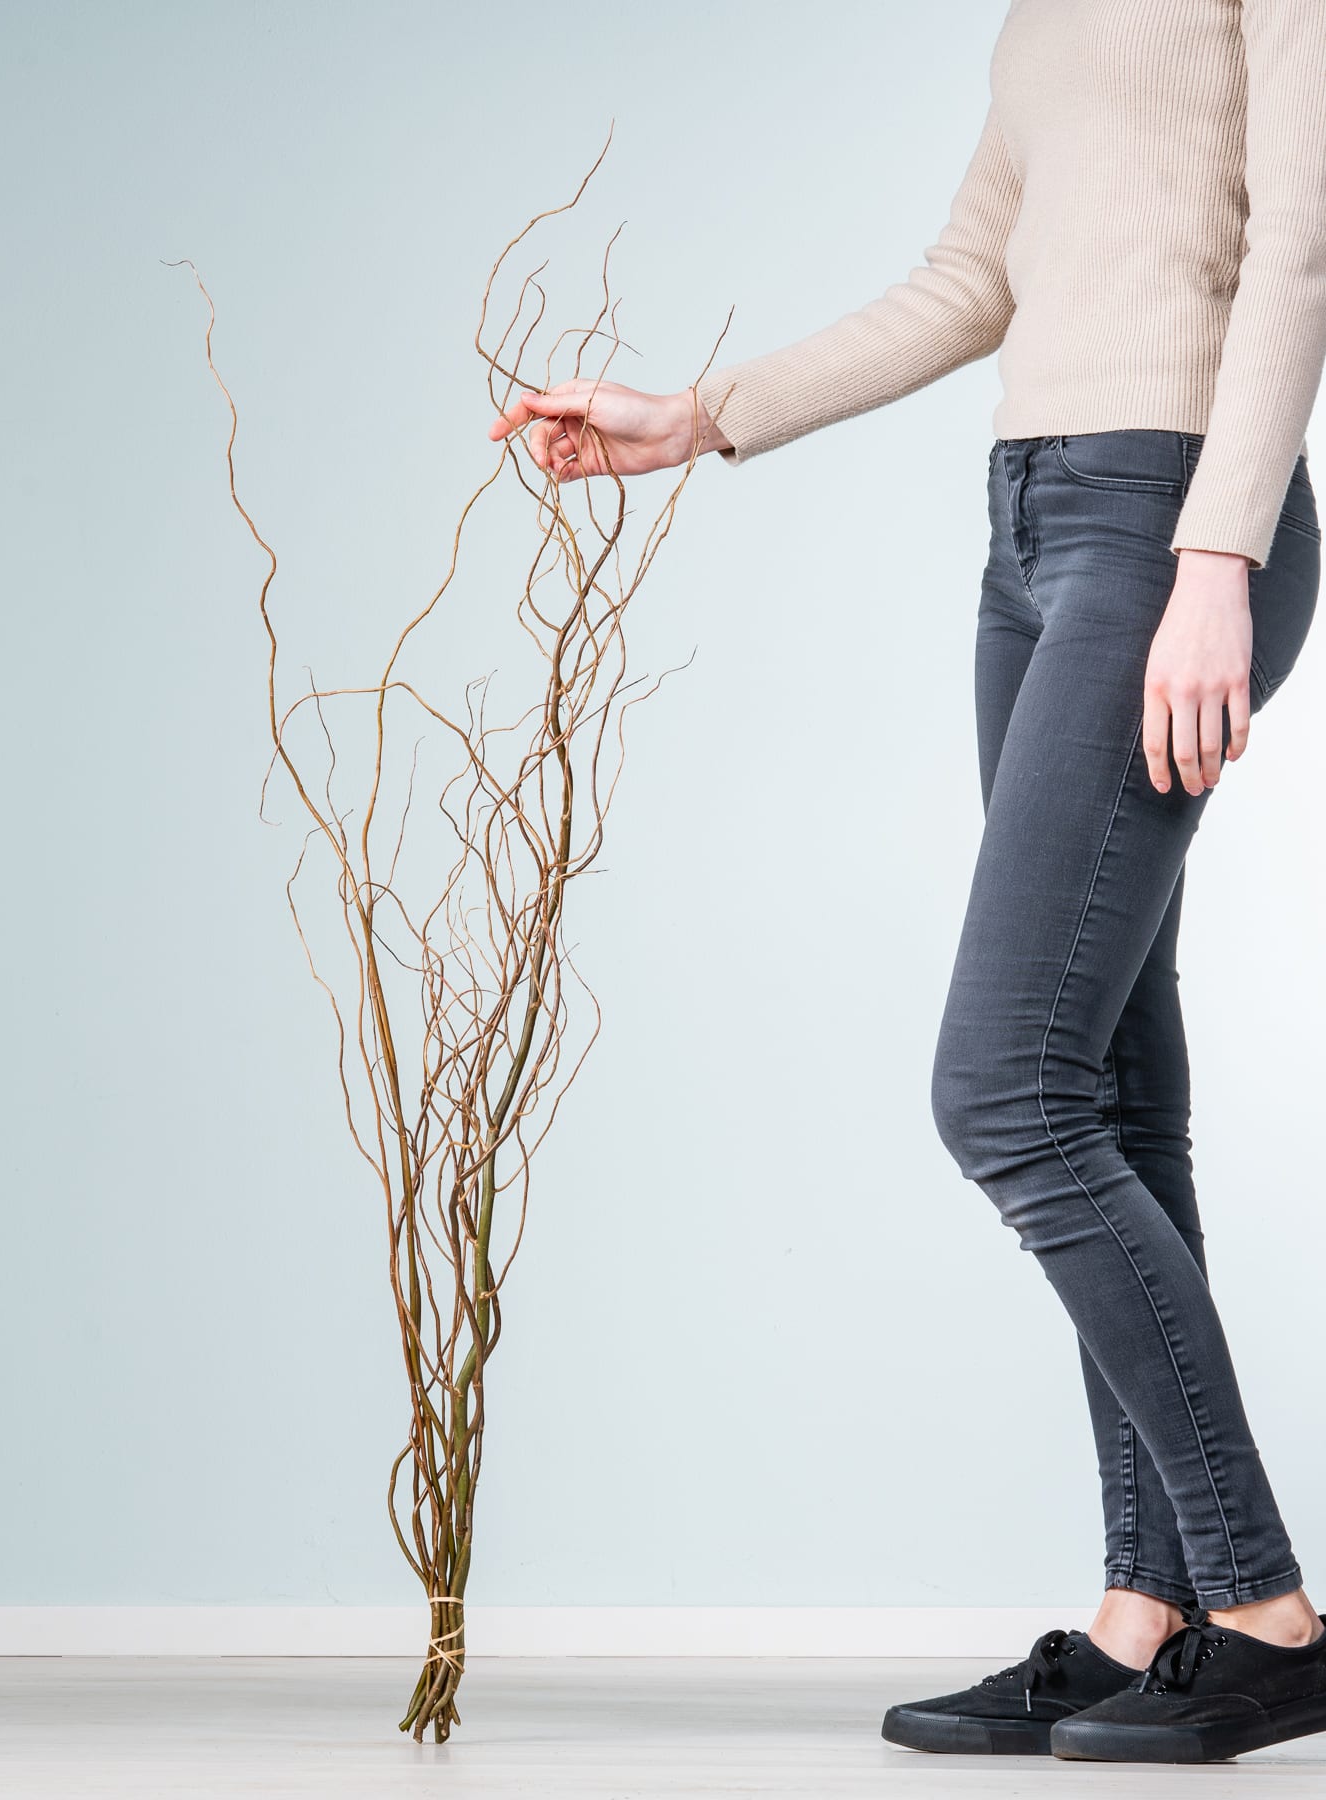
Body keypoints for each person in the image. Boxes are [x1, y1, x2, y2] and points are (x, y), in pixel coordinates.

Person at [488, 0, 1326, 1766]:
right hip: (1030, 529)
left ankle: (1266, 1609)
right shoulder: (1043, 14)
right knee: (1102, 1087)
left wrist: (1219, 556)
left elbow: (1299, 247)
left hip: (1168, 519)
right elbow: (970, 277)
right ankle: (1144, 1612)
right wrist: (694, 417)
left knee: (1004, 1088)